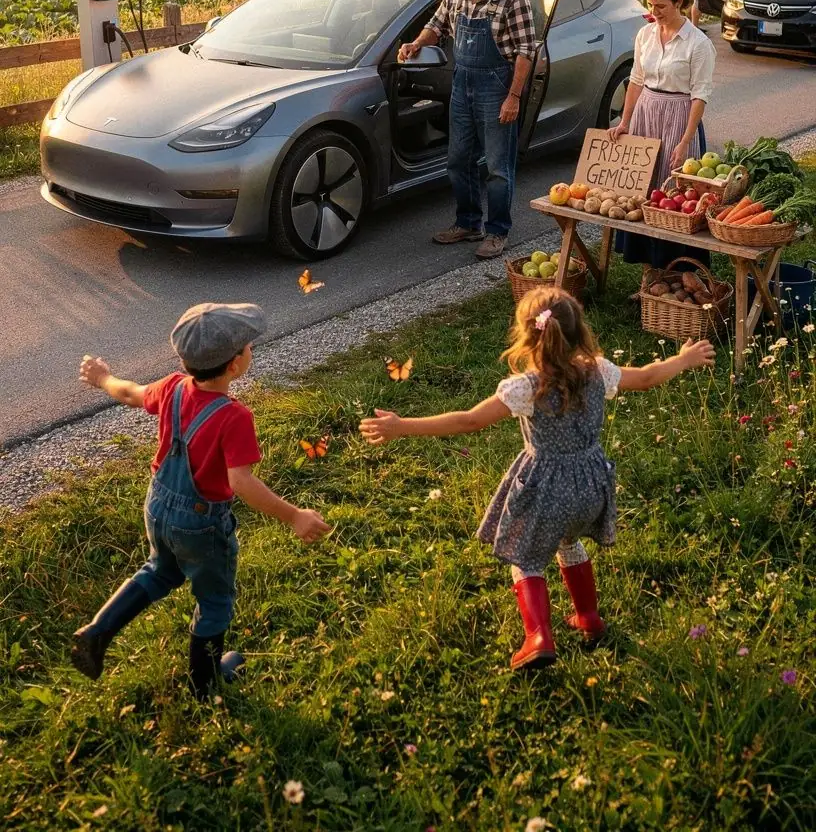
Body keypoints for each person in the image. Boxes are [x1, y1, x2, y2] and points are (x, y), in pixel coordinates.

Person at [360, 285, 714, 669]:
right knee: (568, 541)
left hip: (546, 491)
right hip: (590, 487)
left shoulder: (526, 388)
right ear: (579, 332)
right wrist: (684, 358)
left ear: (527, 337)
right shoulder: (599, 371)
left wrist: (402, 426)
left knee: (525, 559)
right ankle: (589, 618)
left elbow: (469, 421)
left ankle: (538, 637)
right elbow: (647, 377)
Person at [71, 302, 330, 698]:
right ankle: (205, 685)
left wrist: (103, 378)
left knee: (160, 569)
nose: (249, 351)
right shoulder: (233, 416)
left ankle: (98, 631)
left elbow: (129, 393)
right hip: (201, 523)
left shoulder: (172, 387)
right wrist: (293, 515)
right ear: (233, 365)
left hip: (158, 505)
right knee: (214, 600)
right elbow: (240, 482)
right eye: (247, 347)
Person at [398, 0, 536, 260]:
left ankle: (497, 231)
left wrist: (513, 97)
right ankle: (468, 223)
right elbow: (437, 25)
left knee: (498, 167)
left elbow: (526, 53)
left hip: (497, 87)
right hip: (462, 85)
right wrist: (418, 44)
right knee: (458, 161)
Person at [610, 0, 716, 287]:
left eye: (661, 6)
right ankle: (649, 278)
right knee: (643, 192)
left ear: (679, 2)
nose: (654, 12)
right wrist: (626, 121)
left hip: (679, 116)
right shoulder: (645, 35)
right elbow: (636, 80)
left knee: (672, 193)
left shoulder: (699, 43)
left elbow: (700, 96)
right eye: (651, 5)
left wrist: (685, 141)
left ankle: (676, 278)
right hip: (646, 112)